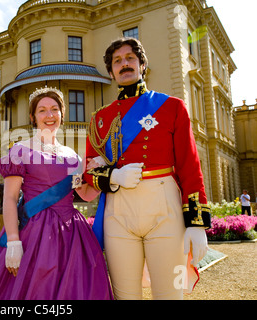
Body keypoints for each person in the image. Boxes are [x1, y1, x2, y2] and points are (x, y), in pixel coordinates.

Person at [84, 37, 211, 300]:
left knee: (169, 294)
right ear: (111, 72)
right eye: (117, 61)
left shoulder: (172, 107)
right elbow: (88, 170)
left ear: (142, 64)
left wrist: (197, 224)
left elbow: (190, 166)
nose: (124, 64)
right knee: (124, 295)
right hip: (119, 212)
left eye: (130, 58)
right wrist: (113, 175)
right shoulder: (99, 119)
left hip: (165, 209)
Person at [0, 87, 113, 300]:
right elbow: (10, 199)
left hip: (72, 233)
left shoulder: (72, 156)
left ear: (62, 114)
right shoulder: (21, 150)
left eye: (55, 109)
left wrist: (101, 172)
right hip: (35, 232)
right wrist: (13, 241)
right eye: (42, 110)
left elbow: (84, 194)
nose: (49, 115)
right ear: (33, 116)